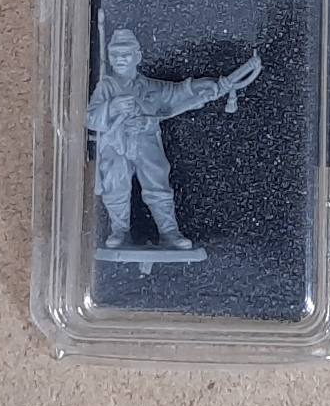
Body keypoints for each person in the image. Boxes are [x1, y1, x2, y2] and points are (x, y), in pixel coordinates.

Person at [87, 27, 261, 250]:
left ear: (137, 56)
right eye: (115, 54)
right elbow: (90, 119)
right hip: (116, 144)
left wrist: (201, 85)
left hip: (146, 140)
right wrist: (111, 107)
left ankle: (169, 232)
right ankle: (119, 231)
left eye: (126, 53)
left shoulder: (150, 86)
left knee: (157, 184)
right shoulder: (106, 87)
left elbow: (176, 92)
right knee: (116, 185)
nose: (120, 59)